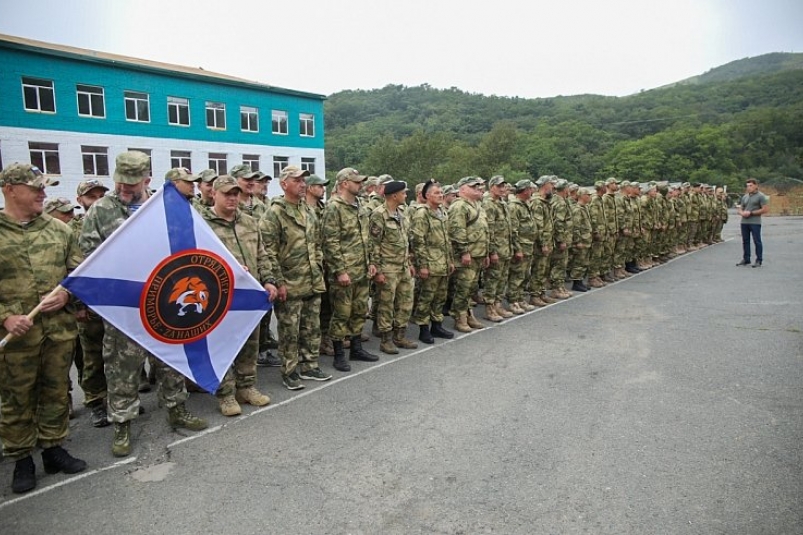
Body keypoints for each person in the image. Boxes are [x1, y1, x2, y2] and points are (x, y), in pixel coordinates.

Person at [79, 151, 208, 457]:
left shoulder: (165, 206)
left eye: (132, 184)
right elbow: (86, 255)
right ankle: (122, 423)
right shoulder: (101, 210)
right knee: (122, 367)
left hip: (165, 302)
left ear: (147, 180)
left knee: (171, 358)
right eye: (121, 183)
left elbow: (192, 245)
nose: (125, 189)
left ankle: (177, 409)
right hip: (124, 306)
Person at [0, 163, 87, 494]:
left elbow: (78, 273)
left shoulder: (59, 231)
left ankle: (53, 449)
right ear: (10, 189)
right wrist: (5, 316)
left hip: (58, 332)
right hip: (15, 339)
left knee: (55, 392)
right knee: (16, 398)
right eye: (35, 187)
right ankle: (21, 458)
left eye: (44, 187)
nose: (43, 193)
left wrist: (66, 293)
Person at [200, 175, 278, 414]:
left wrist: (268, 279)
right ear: (214, 194)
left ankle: (246, 386)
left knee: (249, 343)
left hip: (249, 294)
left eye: (235, 193)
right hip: (218, 296)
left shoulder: (249, 221)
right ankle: (225, 393)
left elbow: (261, 253)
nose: (233, 198)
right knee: (222, 345)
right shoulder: (202, 224)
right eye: (227, 194)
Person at [262, 165, 331, 389]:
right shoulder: (275, 212)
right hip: (289, 283)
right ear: (284, 184)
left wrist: (319, 266)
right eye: (297, 180)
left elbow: (316, 242)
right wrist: (278, 282)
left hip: (312, 279)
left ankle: (309, 365)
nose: (302, 184)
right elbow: (268, 251)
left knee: (311, 327)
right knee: (289, 330)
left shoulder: (308, 210)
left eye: (304, 180)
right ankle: (289, 370)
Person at [321, 168, 379, 371]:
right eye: (356, 181)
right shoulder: (334, 208)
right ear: (344, 183)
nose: (360, 184)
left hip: (361, 269)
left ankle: (356, 348)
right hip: (344, 272)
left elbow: (367, 237)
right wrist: (339, 270)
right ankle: (338, 354)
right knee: (341, 313)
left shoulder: (360, 206)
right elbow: (330, 242)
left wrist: (371, 261)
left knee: (359, 310)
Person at [72, 179, 111, 427]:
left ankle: (118, 399)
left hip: (113, 299)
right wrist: (79, 304)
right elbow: (74, 269)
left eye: (100, 196)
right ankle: (96, 401)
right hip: (89, 302)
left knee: (114, 354)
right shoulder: (74, 230)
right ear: (81, 201)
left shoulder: (113, 226)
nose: (96, 201)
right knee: (93, 356)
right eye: (91, 197)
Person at [369, 180, 418, 354]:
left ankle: (400, 335)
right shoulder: (378, 214)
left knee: (405, 303)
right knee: (386, 305)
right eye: (404, 193)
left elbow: (405, 241)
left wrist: (410, 263)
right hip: (388, 267)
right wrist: (377, 270)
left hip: (403, 266)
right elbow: (374, 244)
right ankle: (386, 340)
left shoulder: (401, 213)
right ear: (394, 195)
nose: (406, 195)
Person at [409, 180, 455, 343]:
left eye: (441, 192)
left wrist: (450, 260)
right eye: (436, 193)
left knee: (440, 297)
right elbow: (418, 241)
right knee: (426, 297)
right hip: (430, 262)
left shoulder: (442, 211)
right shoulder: (422, 213)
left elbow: (446, 239)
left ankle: (437, 325)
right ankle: (423, 329)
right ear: (427, 195)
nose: (440, 195)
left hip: (442, 261)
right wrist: (422, 265)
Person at [447, 176, 490, 332]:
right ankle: (460, 317)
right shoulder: (459, 206)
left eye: (478, 186)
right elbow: (457, 232)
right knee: (462, 288)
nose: (477, 189)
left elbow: (484, 230)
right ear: (462, 189)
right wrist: (464, 252)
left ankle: (468, 314)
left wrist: (485, 253)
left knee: (471, 288)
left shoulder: (477, 205)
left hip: (478, 253)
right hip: (466, 255)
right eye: (473, 187)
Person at [737, 178, 769, 268]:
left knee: (757, 241)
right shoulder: (745, 196)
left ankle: (759, 259)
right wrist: (742, 213)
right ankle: (746, 258)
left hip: (755, 222)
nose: (749, 188)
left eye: (751, 185)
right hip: (744, 222)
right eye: (747, 186)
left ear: (756, 186)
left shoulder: (761, 196)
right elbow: (740, 208)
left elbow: (765, 209)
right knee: (745, 241)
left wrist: (752, 213)